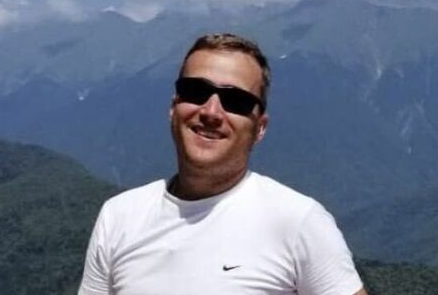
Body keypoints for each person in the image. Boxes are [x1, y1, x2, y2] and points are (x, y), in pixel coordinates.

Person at [79, 33, 367, 295]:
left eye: (235, 101)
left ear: (260, 128)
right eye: (195, 91)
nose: (211, 112)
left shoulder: (298, 222)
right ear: (173, 107)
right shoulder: (119, 217)